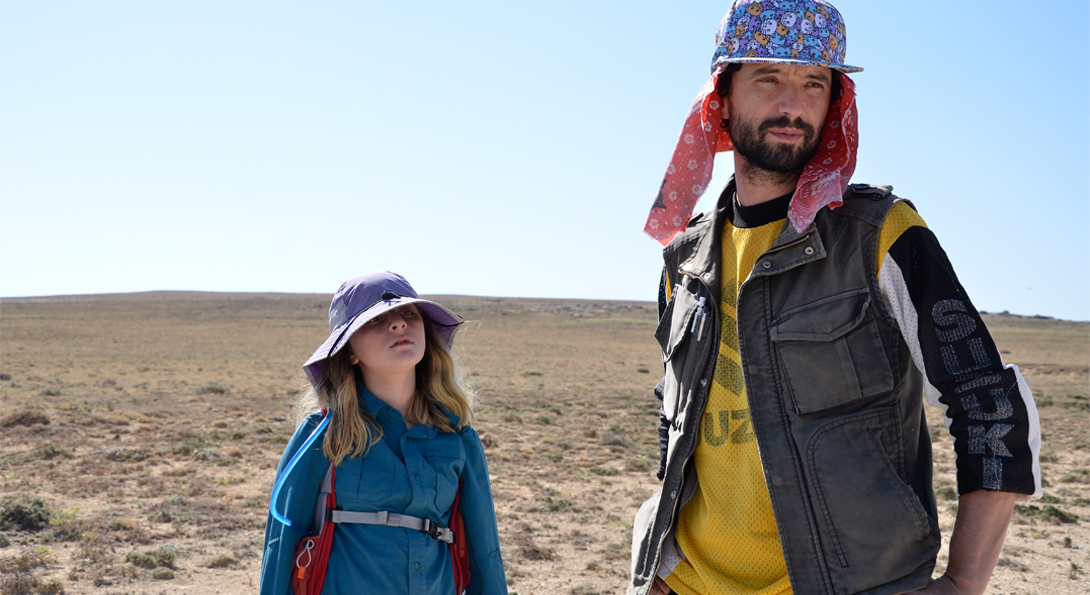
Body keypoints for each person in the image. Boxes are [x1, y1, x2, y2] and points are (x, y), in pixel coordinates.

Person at [629, 2, 1041, 595]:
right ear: (720, 99)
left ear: (835, 102)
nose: (792, 105)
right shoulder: (685, 258)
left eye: (813, 83)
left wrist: (963, 583)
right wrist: (658, 560)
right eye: (768, 78)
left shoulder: (879, 236)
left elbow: (992, 405)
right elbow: (677, 420)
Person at [260, 271, 506, 595]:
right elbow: (281, 543)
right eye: (375, 319)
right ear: (350, 351)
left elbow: (485, 552)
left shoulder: (458, 437)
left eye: (408, 313)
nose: (398, 324)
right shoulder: (323, 436)